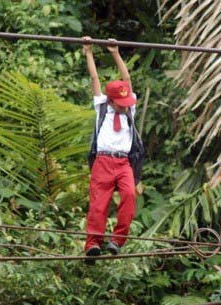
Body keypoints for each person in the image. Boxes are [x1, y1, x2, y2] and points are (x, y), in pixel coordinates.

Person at [82, 36, 145, 265]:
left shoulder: (130, 110)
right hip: (103, 161)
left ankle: (117, 241)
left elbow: (126, 78)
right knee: (99, 204)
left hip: (123, 163)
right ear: (110, 101)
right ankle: (92, 245)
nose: (126, 105)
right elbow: (94, 77)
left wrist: (115, 52)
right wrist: (88, 51)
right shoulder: (101, 108)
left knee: (129, 196)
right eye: (121, 103)